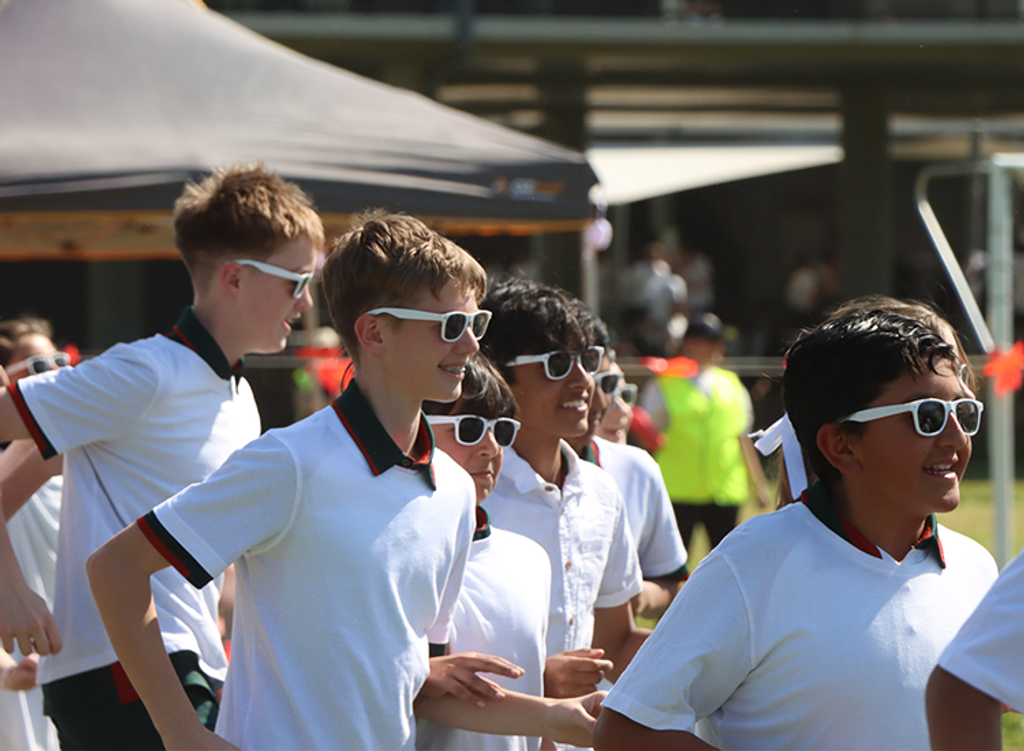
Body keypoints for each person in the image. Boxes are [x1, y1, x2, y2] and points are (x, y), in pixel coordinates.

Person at [87, 213, 586, 751]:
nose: (469, 346)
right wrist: (181, 731)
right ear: (374, 332)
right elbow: (115, 568)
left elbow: (415, 688)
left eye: (475, 324)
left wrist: (559, 718)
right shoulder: (288, 463)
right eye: (448, 326)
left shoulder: (455, 491)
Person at [0, 163, 323, 749]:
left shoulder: (237, 395)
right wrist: (9, 586)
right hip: (119, 671)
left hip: (186, 664)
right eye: (296, 281)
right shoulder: (145, 372)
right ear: (234, 277)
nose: (304, 302)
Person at [593, 308, 999, 750]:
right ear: (841, 445)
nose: (957, 438)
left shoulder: (974, 567)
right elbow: (628, 729)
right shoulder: (754, 564)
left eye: (963, 412)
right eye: (928, 416)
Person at [479, 276, 646, 701]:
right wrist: (537, 679)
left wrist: (726, 656)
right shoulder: (472, 492)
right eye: (556, 364)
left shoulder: (600, 491)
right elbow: (435, 657)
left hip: (577, 731)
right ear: (498, 375)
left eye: (587, 360)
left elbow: (616, 643)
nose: (583, 381)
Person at [417, 354, 595, 751]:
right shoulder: (394, 557)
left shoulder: (529, 558)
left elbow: (531, 694)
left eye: (500, 430)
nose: (490, 447)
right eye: (468, 429)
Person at [566, 304, 687, 622]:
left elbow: (671, 583)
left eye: (623, 393)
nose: (619, 410)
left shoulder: (637, 468)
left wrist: (627, 597)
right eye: (604, 388)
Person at [640, 312, 771, 552]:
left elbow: (742, 438)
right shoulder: (663, 384)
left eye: (719, 341)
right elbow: (648, 437)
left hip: (725, 489)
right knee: (674, 561)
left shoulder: (732, 383)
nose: (718, 347)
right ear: (689, 343)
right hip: (679, 489)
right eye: (711, 341)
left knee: (726, 563)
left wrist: (759, 485)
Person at [0, 316, 67, 751]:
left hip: (71, 664)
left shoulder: (83, 468)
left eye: (61, 361)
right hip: (13, 670)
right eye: (39, 365)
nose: (55, 373)